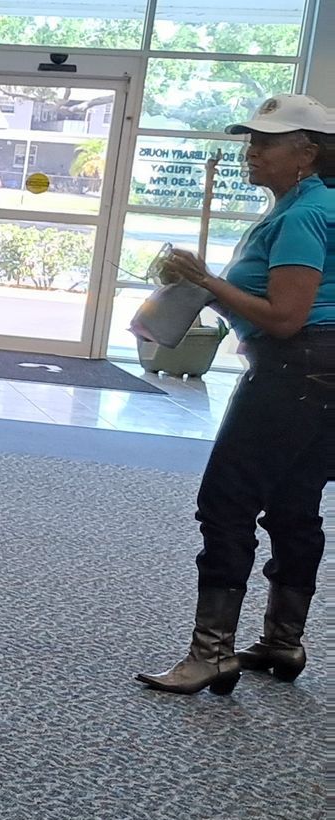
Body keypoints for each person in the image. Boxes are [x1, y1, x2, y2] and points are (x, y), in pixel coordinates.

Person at [139, 96, 334, 693]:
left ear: (308, 152)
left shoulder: (302, 215)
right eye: (250, 139)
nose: (251, 151)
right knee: (294, 505)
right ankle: (282, 643)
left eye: (266, 142)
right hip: (323, 376)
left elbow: (285, 317)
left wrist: (206, 280)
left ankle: (212, 654)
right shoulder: (315, 205)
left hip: (293, 376)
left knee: (227, 504)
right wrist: (207, 288)